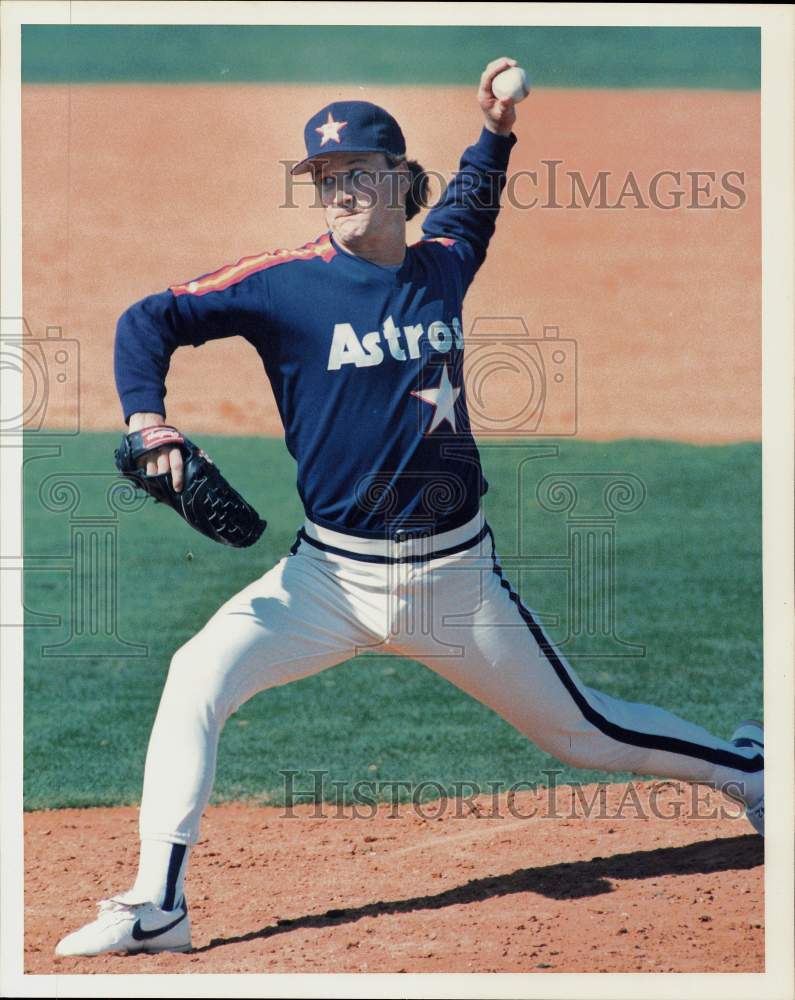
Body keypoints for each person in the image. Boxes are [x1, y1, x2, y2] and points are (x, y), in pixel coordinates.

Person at [55, 57, 764, 958]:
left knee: (583, 732)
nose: (338, 191)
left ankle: (751, 767)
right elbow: (147, 319)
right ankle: (159, 902)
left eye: (355, 172)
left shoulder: (441, 264)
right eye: (322, 178)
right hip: (324, 581)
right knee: (196, 677)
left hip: (456, 586)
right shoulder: (282, 282)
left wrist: (496, 129)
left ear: (397, 179)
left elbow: (474, 202)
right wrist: (148, 421)